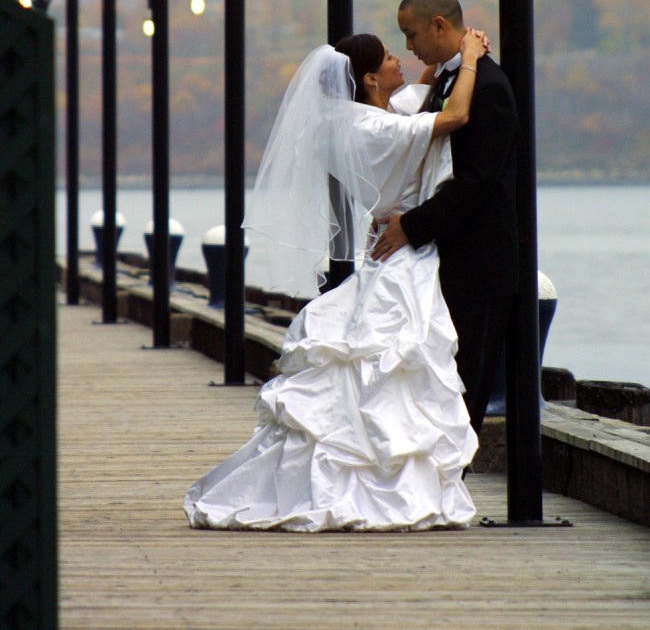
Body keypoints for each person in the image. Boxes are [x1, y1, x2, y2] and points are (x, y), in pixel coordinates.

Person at [184, 28, 488, 532]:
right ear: (370, 78)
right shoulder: (377, 128)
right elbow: (455, 114)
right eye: (392, 57)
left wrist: (451, 53)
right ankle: (388, 484)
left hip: (386, 241)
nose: (401, 61)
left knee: (374, 370)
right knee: (393, 367)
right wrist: (473, 55)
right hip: (403, 247)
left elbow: (427, 85)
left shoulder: (351, 119)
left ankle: (377, 470)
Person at [372, 0, 519, 435]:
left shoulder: (487, 86)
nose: (408, 47)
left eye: (411, 35)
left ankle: (452, 494)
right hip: (447, 264)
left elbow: (476, 184)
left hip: (480, 269)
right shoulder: (450, 81)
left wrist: (409, 227)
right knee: (439, 393)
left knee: (463, 398)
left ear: (439, 25)